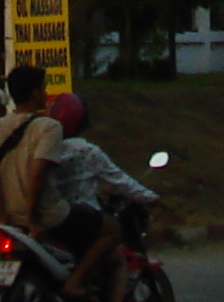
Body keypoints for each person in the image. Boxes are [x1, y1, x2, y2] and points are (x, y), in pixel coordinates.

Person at [44, 93, 156, 302]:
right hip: (81, 221)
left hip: (49, 217)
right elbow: (119, 180)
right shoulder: (86, 151)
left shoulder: (46, 146)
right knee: (118, 260)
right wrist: (151, 197)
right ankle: (79, 284)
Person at [0, 67, 77, 250]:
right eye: (43, 89)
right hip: (48, 215)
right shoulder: (49, 127)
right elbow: (38, 172)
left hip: (10, 220)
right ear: (34, 93)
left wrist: (2, 220)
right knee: (110, 230)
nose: (45, 94)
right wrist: (32, 220)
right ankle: (77, 279)